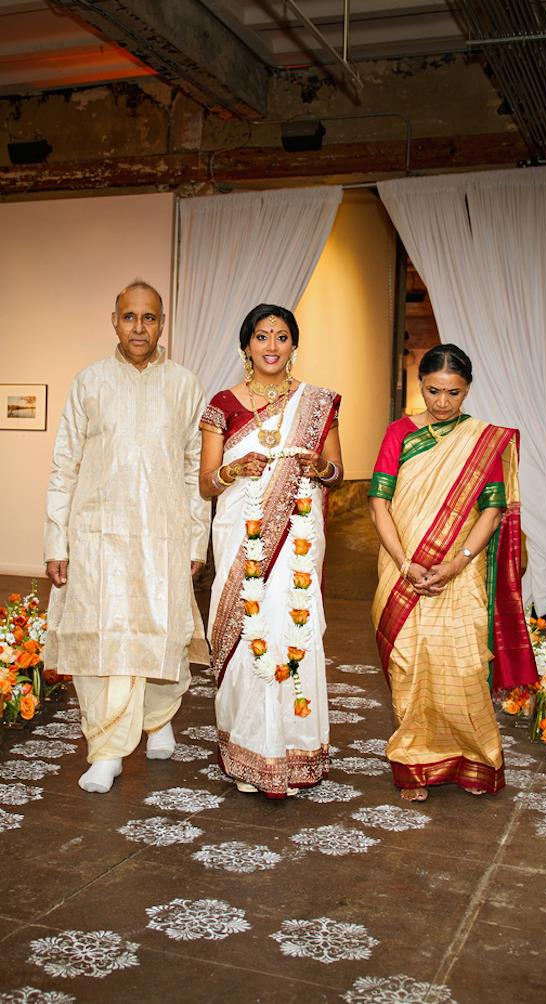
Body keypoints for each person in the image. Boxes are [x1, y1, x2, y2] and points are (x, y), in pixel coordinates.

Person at [44, 280, 211, 794]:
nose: (140, 327)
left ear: (163, 324)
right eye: (130, 317)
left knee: (162, 634)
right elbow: (64, 466)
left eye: (150, 318)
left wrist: (194, 542)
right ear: (113, 320)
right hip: (98, 535)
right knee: (100, 642)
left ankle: (157, 719)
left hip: (162, 534)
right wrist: (57, 542)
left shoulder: (183, 384)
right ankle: (107, 749)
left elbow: (193, 470)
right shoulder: (89, 382)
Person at [369, 344, 536, 801]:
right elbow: (379, 503)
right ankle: (415, 765)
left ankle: (474, 760)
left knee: (462, 666)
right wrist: (407, 563)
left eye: (453, 394)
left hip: (458, 570)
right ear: (419, 385)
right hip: (404, 566)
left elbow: (492, 509)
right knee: (410, 664)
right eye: (432, 391)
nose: (442, 403)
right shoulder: (399, 433)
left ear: (468, 390)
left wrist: (457, 561)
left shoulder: (482, 441)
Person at [199, 304, 342, 798]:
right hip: (242, 533)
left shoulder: (317, 403)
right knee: (244, 631)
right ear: (247, 346)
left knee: (291, 627)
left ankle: (295, 750)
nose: (272, 346)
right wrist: (237, 471)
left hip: (297, 540)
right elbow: (206, 482)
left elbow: (337, 472)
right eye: (263, 337)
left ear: (293, 345)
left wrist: (316, 465)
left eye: (282, 337)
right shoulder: (223, 404)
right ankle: (247, 749)